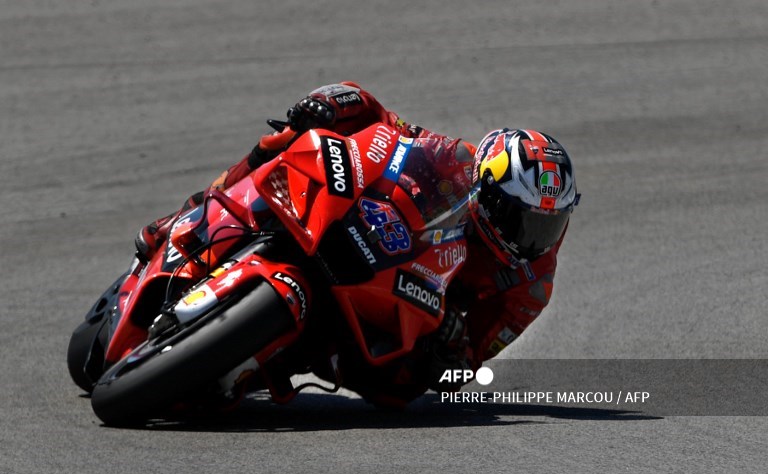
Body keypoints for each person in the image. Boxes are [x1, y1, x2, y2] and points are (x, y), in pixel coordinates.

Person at [134, 82, 578, 403]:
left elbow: (468, 365)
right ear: (487, 189)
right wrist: (333, 104)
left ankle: (261, 356)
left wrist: (450, 351)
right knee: (288, 139)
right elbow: (388, 124)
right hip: (374, 239)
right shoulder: (454, 159)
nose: (530, 239)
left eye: (545, 226)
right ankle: (185, 214)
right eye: (519, 219)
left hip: (405, 313)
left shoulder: (531, 285)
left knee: (399, 390)